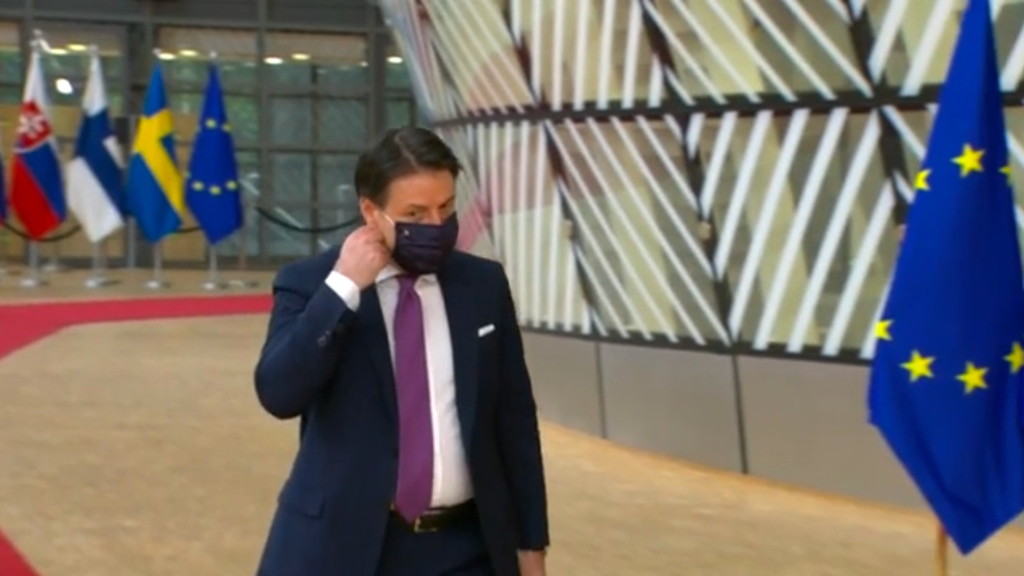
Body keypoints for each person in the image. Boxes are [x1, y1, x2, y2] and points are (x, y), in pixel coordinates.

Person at [253, 126, 549, 576]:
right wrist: (343, 290)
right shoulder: (311, 283)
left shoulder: (483, 285)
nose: (436, 225)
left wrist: (531, 545)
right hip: (341, 549)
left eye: (445, 207)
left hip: (467, 549)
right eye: (415, 213)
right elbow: (278, 393)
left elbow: (515, 423)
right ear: (371, 211)